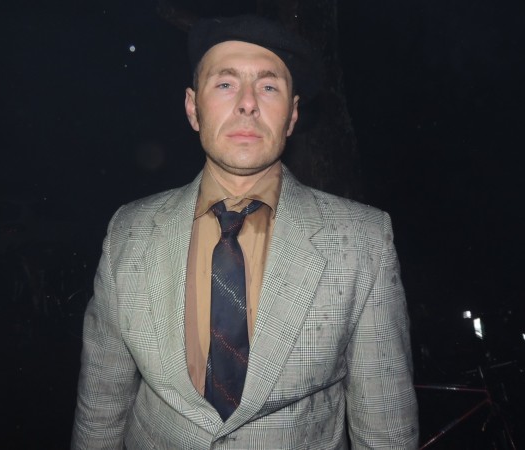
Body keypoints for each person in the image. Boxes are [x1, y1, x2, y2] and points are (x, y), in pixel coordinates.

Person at [72, 14, 418, 449]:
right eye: (225, 84)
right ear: (192, 108)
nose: (248, 103)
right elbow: (101, 405)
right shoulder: (128, 232)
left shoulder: (364, 241)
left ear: (292, 115)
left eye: (269, 87)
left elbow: (386, 430)